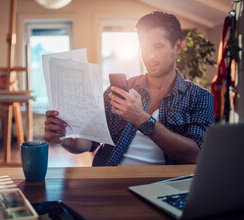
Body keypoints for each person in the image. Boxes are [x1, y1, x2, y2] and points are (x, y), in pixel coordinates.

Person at [44, 11, 214, 166]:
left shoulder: (199, 97)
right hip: (111, 180)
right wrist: (63, 138)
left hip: (164, 184)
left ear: (177, 47)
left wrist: (141, 118)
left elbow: (195, 156)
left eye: (158, 46)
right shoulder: (119, 89)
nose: (150, 56)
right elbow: (89, 142)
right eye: (144, 47)